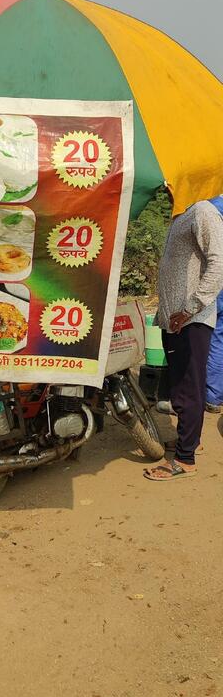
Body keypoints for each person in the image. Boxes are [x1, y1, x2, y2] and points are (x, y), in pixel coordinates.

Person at [144, 196, 223, 482]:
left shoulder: (203, 211)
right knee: (181, 384)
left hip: (191, 320)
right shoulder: (181, 216)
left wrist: (191, 308)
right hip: (174, 320)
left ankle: (185, 460)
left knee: (188, 388)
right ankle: (191, 440)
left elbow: (218, 263)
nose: (166, 190)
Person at [205, 195, 223, 413]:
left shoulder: (209, 206)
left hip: (214, 281)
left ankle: (211, 396)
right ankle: (215, 395)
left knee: (207, 336)